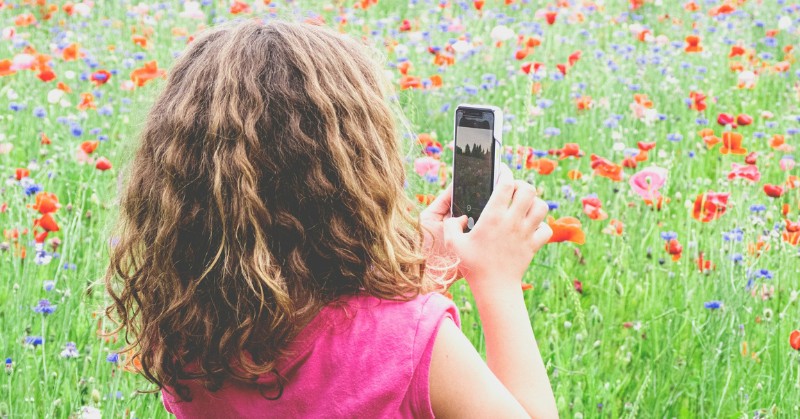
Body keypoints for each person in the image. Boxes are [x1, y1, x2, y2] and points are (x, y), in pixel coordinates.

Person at [104, 17, 558, 418]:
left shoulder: (185, 336)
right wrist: (496, 280)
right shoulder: (415, 340)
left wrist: (412, 273)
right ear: (356, 174)